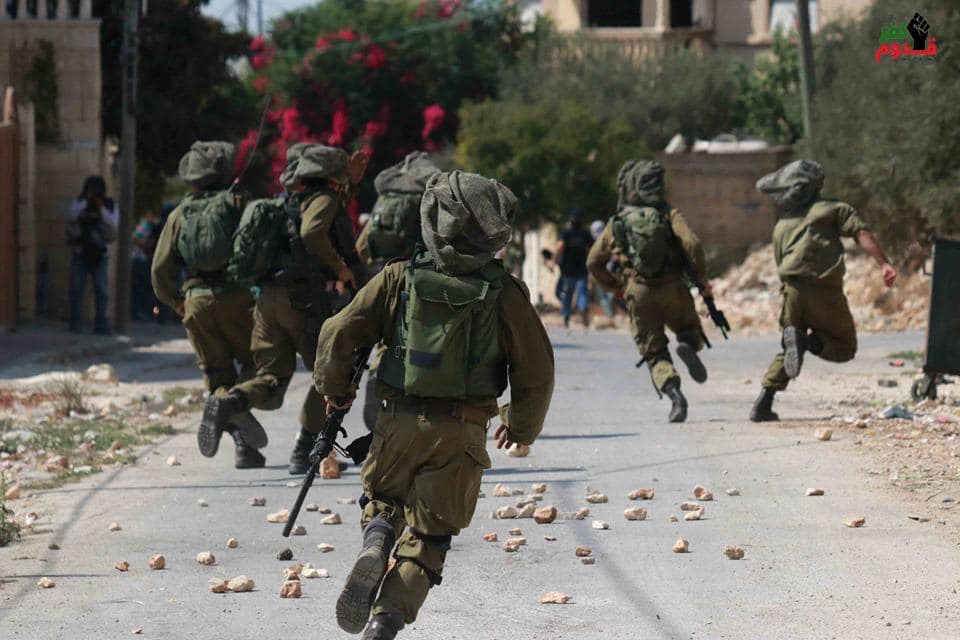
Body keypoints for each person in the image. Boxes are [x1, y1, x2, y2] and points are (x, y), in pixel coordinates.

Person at [315, 171, 554, 640]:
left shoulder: (397, 277)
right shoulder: (505, 293)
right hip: (461, 432)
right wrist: (519, 425)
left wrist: (336, 388)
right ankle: (385, 619)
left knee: (382, 500)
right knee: (429, 538)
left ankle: (378, 536)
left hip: (396, 423)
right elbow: (537, 370)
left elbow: (337, 331)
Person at [203, 143, 363, 475]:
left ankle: (229, 401)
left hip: (267, 301)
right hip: (301, 301)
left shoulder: (289, 200)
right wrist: (340, 269)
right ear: (333, 177)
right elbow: (313, 232)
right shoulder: (323, 199)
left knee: (272, 378)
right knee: (331, 376)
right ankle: (304, 450)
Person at [749, 159, 897, 421]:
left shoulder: (783, 224)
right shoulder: (833, 209)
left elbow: (780, 262)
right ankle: (807, 342)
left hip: (792, 292)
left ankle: (763, 403)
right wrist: (883, 263)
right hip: (824, 291)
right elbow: (860, 232)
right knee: (845, 347)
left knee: (790, 346)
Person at [152, 141, 268, 468]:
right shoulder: (239, 203)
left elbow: (159, 271)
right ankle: (235, 406)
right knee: (259, 365)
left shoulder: (180, 213)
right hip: (238, 298)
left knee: (218, 376)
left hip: (196, 302)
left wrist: (177, 302)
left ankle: (243, 444)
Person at [587, 160, 712, 423]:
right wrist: (701, 278)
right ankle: (686, 345)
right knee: (689, 330)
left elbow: (593, 262)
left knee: (654, 352)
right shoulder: (668, 214)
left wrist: (616, 287)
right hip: (673, 287)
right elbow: (692, 244)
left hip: (638, 293)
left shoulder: (618, 222)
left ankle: (675, 396)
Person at [354, 151, 440, 432]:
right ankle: (404, 395)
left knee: (386, 332)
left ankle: (376, 374)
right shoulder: (426, 200)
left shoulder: (386, 199)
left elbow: (362, 247)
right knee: (409, 335)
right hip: (417, 274)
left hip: (382, 274)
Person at [66, 176, 118, 334]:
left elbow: (113, 224)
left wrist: (100, 207)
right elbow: (71, 216)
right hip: (81, 251)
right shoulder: (79, 202)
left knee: (101, 291)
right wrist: (86, 203)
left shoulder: (109, 205)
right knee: (76, 289)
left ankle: (101, 324)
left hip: (100, 254)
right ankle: (75, 323)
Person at [550, 211, 593, 328]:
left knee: (568, 293)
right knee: (582, 292)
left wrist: (553, 261)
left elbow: (560, 247)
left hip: (568, 270)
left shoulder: (566, 234)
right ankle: (583, 309)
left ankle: (566, 316)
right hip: (582, 269)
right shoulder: (585, 234)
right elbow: (592, 249)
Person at [131, 210, 161, 321]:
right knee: (140, 288)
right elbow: (134, 238)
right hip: (140, 259)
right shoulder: (145, 225)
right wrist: (145, 244)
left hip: (143, 260)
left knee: (143, 288)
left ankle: (142, 312)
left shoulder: (150, 226)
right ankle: (138, 312)